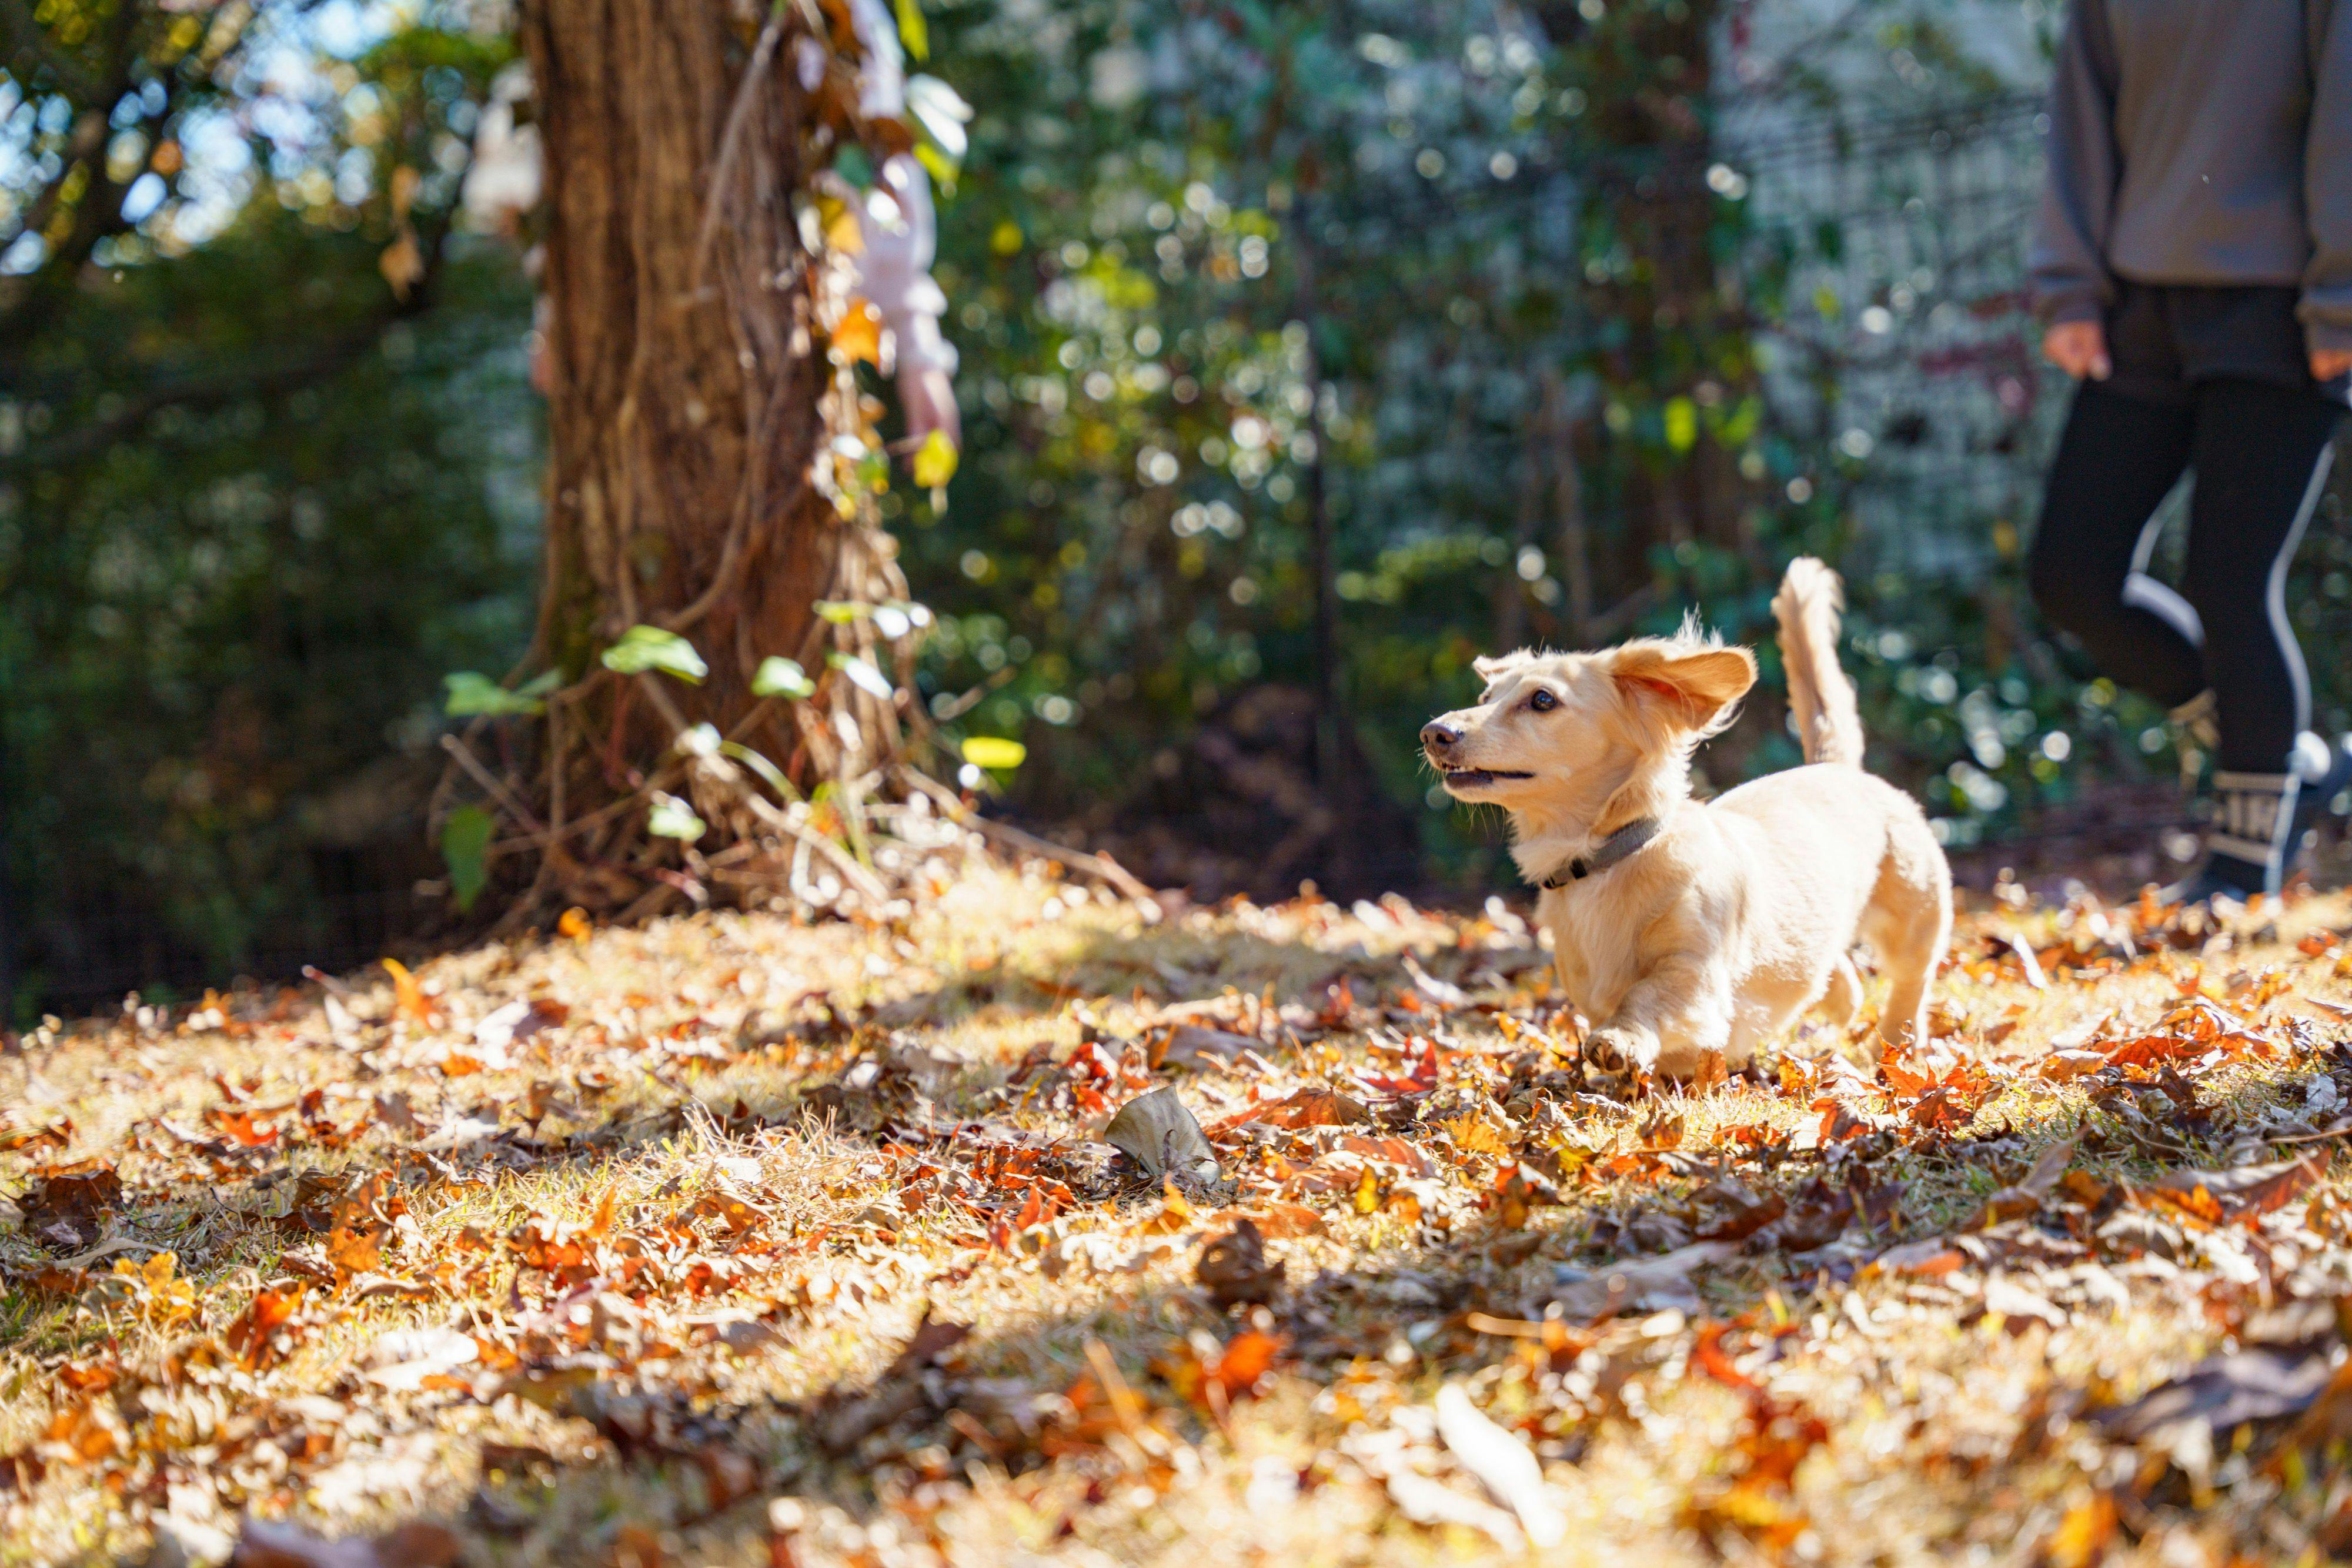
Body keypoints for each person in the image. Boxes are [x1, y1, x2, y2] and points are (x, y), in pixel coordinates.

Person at [2026, 0, 2352, 904]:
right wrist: (2072, 289)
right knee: (2072, 574)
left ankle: (2244, 868)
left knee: (2231, 580)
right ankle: (2285, 760)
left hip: (2284, 305)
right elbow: (2082, 111)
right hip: (2142, 304)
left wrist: (2343, 296)